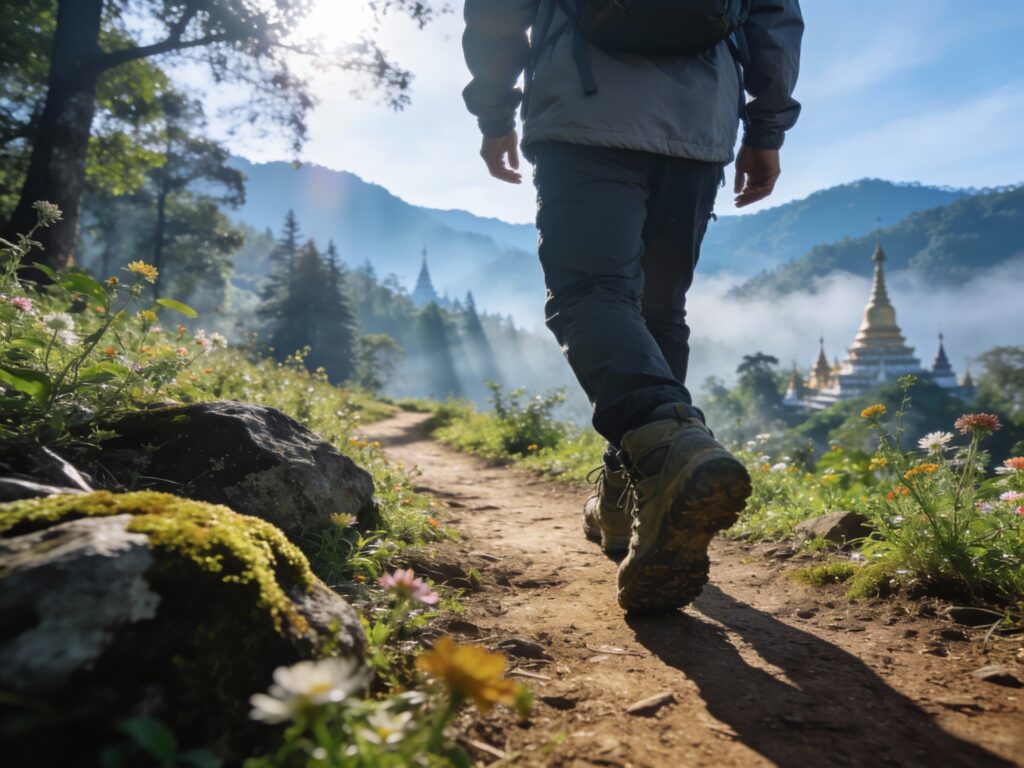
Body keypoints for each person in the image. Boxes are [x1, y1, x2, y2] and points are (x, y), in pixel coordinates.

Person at [462, 0, 803, 612]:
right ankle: (626, 496)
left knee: (592, 290)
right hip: (698, 122)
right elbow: (773, 15)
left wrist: (494, 111)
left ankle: (666, 444)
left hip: (584, 110)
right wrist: (766, 128)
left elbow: (497, 10)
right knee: (657, 311)